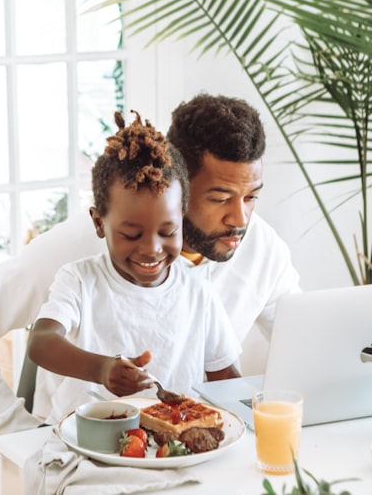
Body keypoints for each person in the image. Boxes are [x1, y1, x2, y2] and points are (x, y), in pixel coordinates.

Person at [0, 93, 301, 435]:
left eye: (251, 197)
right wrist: (20, 436)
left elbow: (302, 344)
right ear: (179, 183)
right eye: (220, 198)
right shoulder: (81, 249)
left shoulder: (260, 248)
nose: (240, 218)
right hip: (81, 444)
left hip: (179, 451)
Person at [27, 111, 241, 423]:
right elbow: (41, 342)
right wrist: (102, 369)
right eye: (131, 234)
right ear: (99, 222)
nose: (152, 248)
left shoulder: (197, 289)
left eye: (168, 232)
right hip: (85, 440)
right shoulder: (80, 280)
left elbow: (225, 375)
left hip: (170, 448)